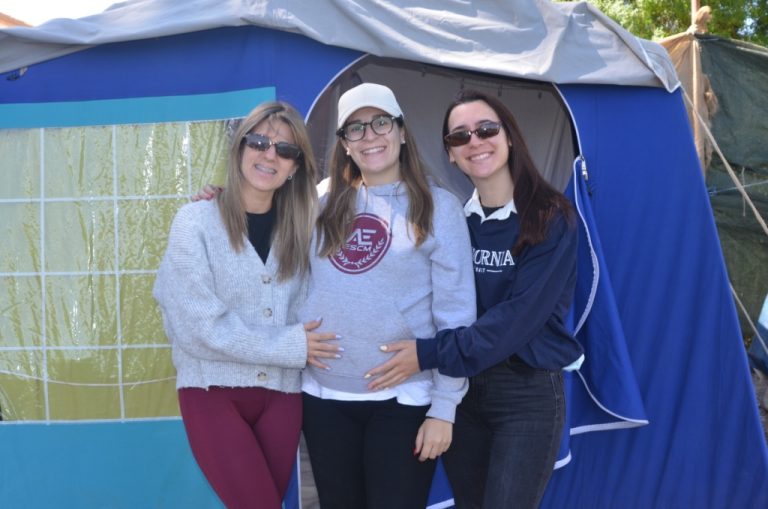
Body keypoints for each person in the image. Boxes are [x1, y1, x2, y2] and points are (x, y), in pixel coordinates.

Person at [365, 89, 585, 509]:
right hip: (463, 390)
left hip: (526, 393)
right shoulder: (454, 221)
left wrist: (426, 353)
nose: (475, 142)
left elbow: (515, 321)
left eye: (486, 129)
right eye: (459, 136)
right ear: (450, 154)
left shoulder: (551, 218)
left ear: (510, 136)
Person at [153, 101, 340, 509]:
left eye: (285, 150)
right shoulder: (195, 222)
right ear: (239, 147)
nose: (269, 155)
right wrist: (291, 346)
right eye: (259, 142)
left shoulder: (306, 229)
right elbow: (197, 328)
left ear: (295, 167)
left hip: (282, 396)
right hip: (212, 392)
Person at [298, 83, 476, 509]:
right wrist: (218, 200)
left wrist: (444, 407)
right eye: (355, 128)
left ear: (401, 131)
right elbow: (264, 234)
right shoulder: (317, 201)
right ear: (344, 143)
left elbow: (456, 315)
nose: (370, 136)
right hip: (324, 399)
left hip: (404, 402)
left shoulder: (439, 207)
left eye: (381, 122)